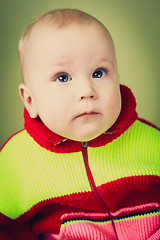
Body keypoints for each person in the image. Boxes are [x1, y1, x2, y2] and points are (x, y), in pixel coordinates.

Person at [0, 8, 160, 240]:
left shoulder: (149, 140)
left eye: (99, 72)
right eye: (62, 77)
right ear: (30, 100)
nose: (87, 91)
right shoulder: (16, 160)